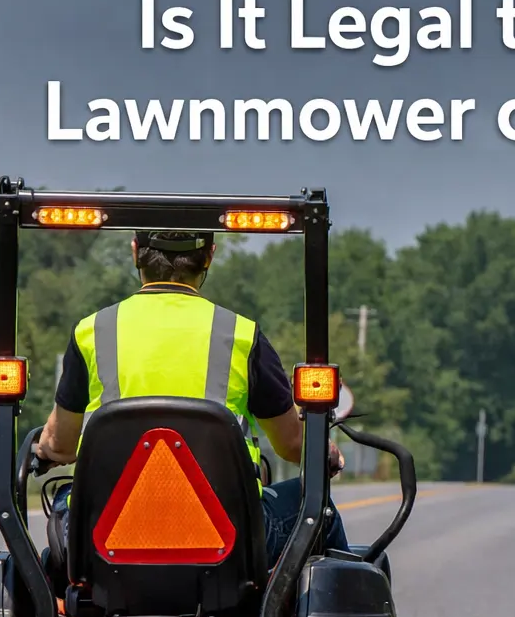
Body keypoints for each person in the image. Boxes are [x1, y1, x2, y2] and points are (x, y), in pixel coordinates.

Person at [33, 228, 347, 573]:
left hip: (103, 538)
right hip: (229, 542)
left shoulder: (92, 332)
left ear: (135, 252)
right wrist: (326, 450)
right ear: (209, 256)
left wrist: (44, 448)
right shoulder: (242, 335)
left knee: (64, 512)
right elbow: (292, 445)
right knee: (321, 510)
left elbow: (61, 446)